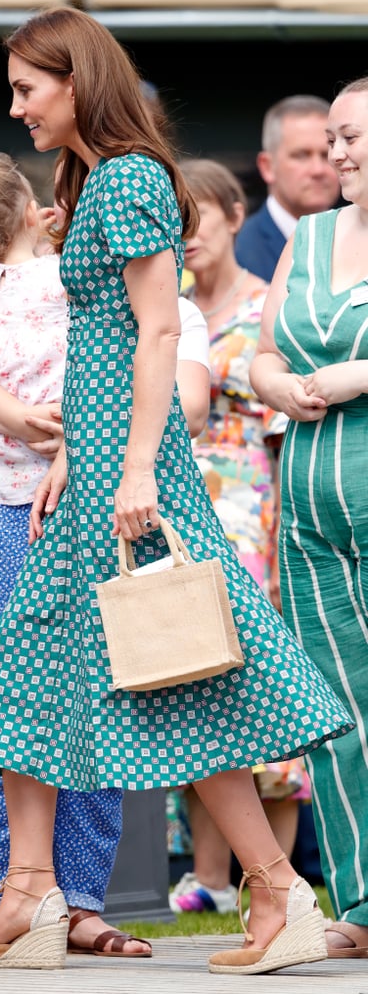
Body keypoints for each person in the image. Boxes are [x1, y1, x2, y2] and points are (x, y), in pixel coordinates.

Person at [0, 5, 352, 975]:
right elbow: (101, 339)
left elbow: (159, 331)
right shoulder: (92, 180)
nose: (16, 109)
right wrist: (71, 456)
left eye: (26, 90)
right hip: (94, 464)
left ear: (77, 81)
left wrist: (126, 467)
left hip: (134, 469)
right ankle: (34, 888)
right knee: (35, 674)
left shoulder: (125, 178)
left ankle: (273, 889)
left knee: (181, 673)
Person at [0, 151, 151, 958]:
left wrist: (12, 419)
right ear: (36, 214)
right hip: (65, 503)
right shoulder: (71, 280)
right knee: (86, 700)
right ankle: (74, 897)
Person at [167, 158, 311, 917]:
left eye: (201, 216)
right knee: (192, 677)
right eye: (176, 220)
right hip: (181, 509)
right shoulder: (169, 306)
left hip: (254, 509)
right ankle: (211, 877)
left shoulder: (266, 308)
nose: (187, 235)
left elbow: (287, 434)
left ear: (233, 211)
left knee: (261, 685)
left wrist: (288, 533)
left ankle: (276, 878)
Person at [249, 75, 368, 959]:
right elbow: (256, 351)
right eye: (331, 138)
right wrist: (279, 384)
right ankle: (360, 902)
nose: (336, 155)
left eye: (352, 138)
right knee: (332, 707)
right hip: (308, 512)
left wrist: (362, 374)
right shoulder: (314, 234)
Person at [235, 94, 340, 282]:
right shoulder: (238, 253)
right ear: (267, 166)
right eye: (301, 155)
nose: (318, 170)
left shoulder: (359, 237)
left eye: (327, 154)